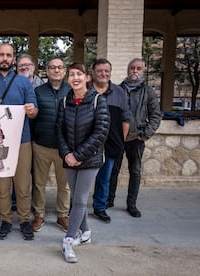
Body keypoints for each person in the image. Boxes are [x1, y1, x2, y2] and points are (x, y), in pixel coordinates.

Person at [0, 43, 38, 241]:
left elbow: (35, 110)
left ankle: (24, 220)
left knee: (22, 185)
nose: (5, 58)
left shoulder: (24, 83)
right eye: (1, 55)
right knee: (2, 185)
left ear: (13, 59)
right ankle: (5, 220)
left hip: (22, 140)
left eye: (9, 55)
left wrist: (31, 110)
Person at [56, 63, 110, 263]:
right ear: (67, 79)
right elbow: (59, 131)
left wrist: (78, 155)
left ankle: (68, 240)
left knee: (78, 200)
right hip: (69, 158)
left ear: (87, 77)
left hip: (90, 159)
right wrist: (67, 154)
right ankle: (85, 232)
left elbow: (101, 132)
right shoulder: (64, 102)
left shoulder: (98, 101)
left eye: (79, 74)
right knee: (78, 198)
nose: (75, 77)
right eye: (71, 75)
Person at [108, 58, 161, 218]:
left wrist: (143, 134)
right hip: (118, 138)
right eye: (132, 68)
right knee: (112, 170)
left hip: (136, 139)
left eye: (138, 68)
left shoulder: (148, 92)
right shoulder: (117, 89)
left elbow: (156, 116)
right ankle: (108, 200)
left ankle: (131, 204)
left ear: (143, 71)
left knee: (135, 171)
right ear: (127, 70)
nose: (135, 71)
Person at [31, 57, 70, 232]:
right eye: (52, 67)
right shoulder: (38, 91)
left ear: (64, 71)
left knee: (64, 185)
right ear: (47, 71)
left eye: (59, 67)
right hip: (42, 145)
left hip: (64, 148)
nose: (56, 70)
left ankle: (62, 215)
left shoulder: (71, 91)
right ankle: (39, 215)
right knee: (39, 183)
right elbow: (32, 118)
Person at [90, 59, 131, 224]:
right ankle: (75, 205)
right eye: (99, 71)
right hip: (87, 143)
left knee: (104, 177)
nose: (103, 74)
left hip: (111, 144)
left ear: (110, 72)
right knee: (80, 178)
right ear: (93, 72)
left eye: (106, 71)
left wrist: (121, 140)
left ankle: (100, 207)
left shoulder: (119, 92)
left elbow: (126, 118)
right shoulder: (84, 90)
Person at [13, 53, 44, 212]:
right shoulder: (12, 85)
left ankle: (33, 204)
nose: (24, 68)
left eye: (27, 65)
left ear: (34, 66)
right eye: (21, 66)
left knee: (35, 173)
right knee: (16, 170)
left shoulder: (43, 87)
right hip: (18, 136)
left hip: (38, 136)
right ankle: (15, 201)